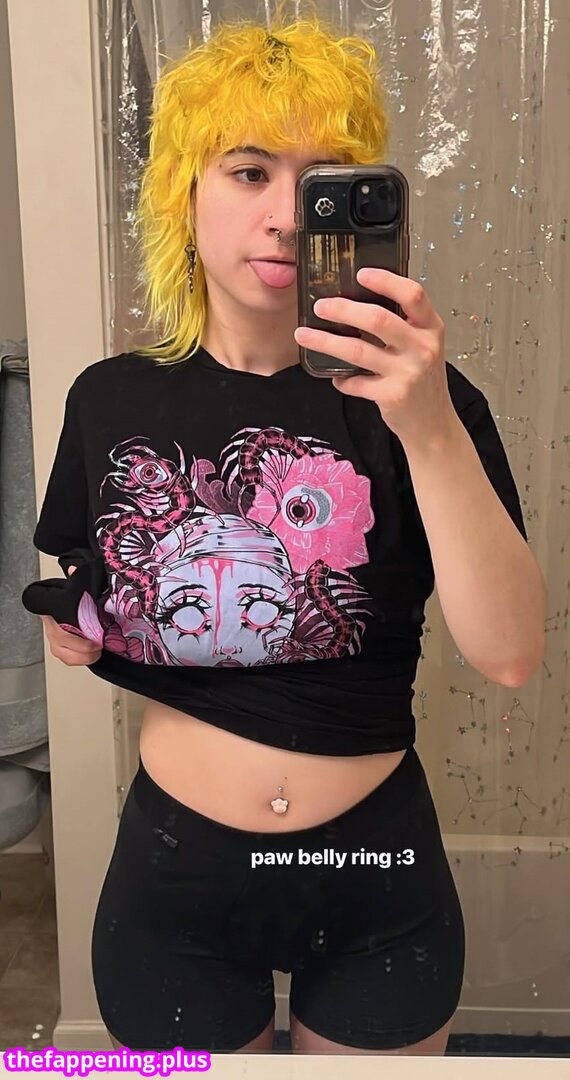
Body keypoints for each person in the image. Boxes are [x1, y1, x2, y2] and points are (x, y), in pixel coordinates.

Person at [22, 3, 546, 1056]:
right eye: (250, 171)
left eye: (320, 182)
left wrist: (427, 423)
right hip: (176, 882)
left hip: (375, 875)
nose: (285, 217)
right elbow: (86, 574)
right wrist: (76, 618)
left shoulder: (429, 403)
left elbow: (510, 653)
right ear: (184, 192)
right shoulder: (109, 397)